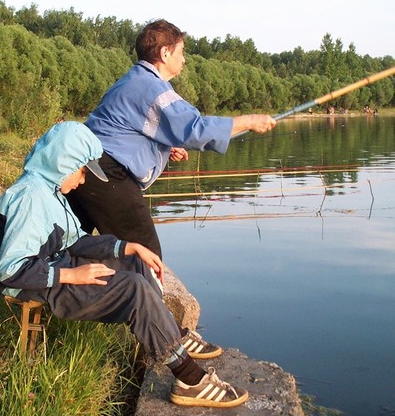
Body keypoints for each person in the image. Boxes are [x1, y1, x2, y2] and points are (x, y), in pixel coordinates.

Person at [0, 121, 248, 408]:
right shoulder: (30, 199)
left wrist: (127, 247)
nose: (83, 181)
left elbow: (73, 242)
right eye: (83, 171)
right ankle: (189, 379)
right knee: (133, 290)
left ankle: (172, 333)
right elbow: (10, 269)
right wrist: (72, 275)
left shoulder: (49, 191)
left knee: (133, 261)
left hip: (54, 263)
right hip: (33, 283)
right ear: (63, 164)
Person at [67, 19, 276, 260]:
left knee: (72, 244)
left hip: (82, 170)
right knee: (145, 256)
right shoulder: (153, 87)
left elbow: (125, 130)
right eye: (181, 51)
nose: (184, 59)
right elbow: (194, 128)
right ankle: (143, 296)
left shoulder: (129, 81)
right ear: (165, 53)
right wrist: (248, 121)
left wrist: (167, 145)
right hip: (107, 175)